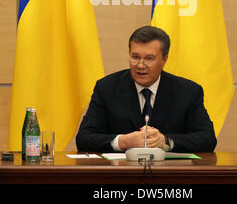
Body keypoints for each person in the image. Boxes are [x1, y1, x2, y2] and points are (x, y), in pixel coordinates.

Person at [76, 25, 217, 153]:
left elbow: (207, 139)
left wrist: (166, 142)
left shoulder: (188, 91)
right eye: (135, 57)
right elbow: (84, 138)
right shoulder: (107, 88)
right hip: (120, 176)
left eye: (149, 58)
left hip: (170, 176)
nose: (140, 65)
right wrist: (122, 141)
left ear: (164, 59)